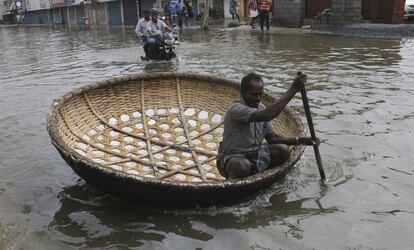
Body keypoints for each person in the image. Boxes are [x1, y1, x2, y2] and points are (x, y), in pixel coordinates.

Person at [217, 73, 318, 179]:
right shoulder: (236, 109)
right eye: (254, 94)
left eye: (260, 94)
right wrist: (293, 89)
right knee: (241, 166)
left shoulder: (260, 107)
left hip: (254, 152)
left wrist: (299, 140)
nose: (258, 98)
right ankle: (234, 184)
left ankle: (262, 179)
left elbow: (272, 138)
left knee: (283, 150)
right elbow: (267, 115)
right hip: (232, 157)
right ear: (243, 93)